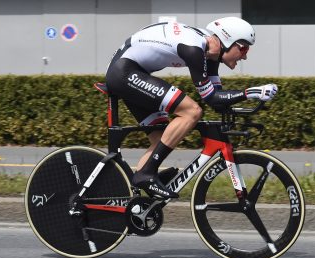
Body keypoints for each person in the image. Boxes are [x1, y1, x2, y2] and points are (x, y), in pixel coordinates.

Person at [105, 17, 278, 199]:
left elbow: (216, 100)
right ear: (227, 41)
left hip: (132, 72)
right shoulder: (194, 49)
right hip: (124, 72)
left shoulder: (210, 54)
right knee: (191, 111)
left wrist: (246, 97)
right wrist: (249, 93)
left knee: (162, 138)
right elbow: (210, 97)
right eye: (243, 48)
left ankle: (136, 201)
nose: (245, 55)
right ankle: (145, 174)